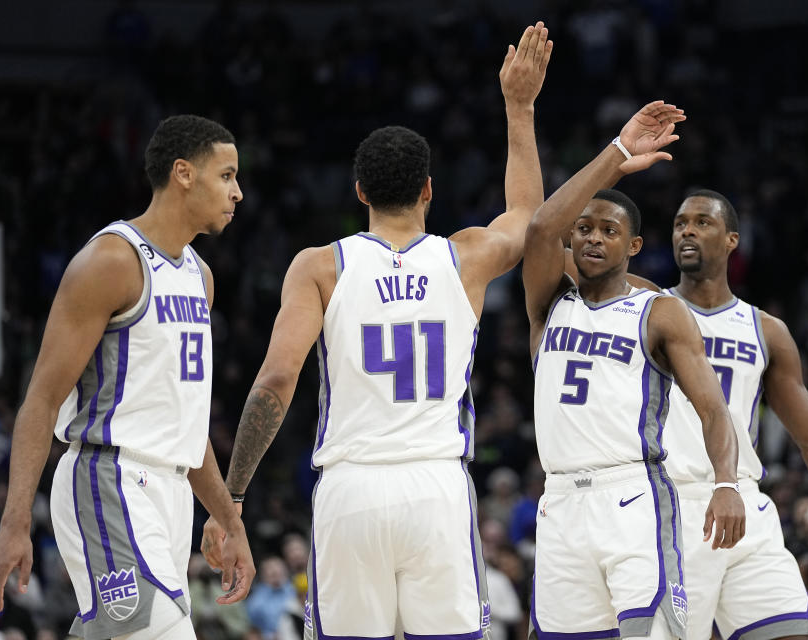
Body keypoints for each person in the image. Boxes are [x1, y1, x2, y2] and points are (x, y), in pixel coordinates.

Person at [200, 23, 553, 639]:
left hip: (351, 490)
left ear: (359, 191)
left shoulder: (320, 266)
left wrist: (231, 500)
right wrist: (518, 107)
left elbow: (277, 381)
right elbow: (528, 215)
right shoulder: (464, 258)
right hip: (437, 487)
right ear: (428, 191)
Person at [0, 115, 256, 639]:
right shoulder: (111, 260)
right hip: (109, 479)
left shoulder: (201, 278)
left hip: (170, 493)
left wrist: (230, 520)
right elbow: (40, 400)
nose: (237, 192)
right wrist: (14, 521)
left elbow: (187, 426)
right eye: (226, 176)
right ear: (183, 173)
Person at [522, 103, 745, 639]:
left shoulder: (659, 313)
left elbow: (713, 407)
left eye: (609, 231)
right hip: (559, 502)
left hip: (633, 497)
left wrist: (726, 483)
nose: (594, 238)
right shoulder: (548, 303)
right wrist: (618, 155)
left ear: (634, 246)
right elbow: (539, 227)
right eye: (585, 230)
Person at [643, 189, 808, 639]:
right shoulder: (644, 309)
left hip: (744, 504)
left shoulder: (765, 330)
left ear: (733, 239)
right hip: (671, 505)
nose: (688, 231)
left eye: (703, 222)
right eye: (680, 223)